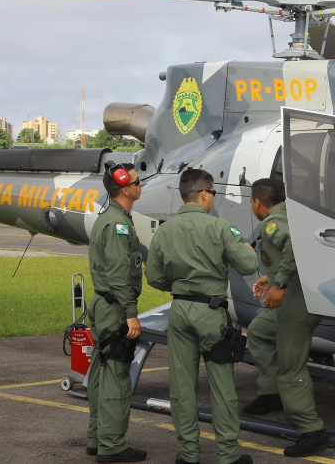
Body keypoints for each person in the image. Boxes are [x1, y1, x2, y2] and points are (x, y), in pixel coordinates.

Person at [146, 169, 258, 464]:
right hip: (210, 313)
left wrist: (182, 286)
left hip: (180, 310)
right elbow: (248, 264)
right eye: (214, 194)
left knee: (182, 388)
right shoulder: (221, 228)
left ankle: (188, 455)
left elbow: (154, 278)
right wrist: (244, 249)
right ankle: (228, 455)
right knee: (221, 386)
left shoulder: (165, 230)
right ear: (206, 193)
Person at [244, 178, 332, 458]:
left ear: (257, 202)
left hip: (296, 303)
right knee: (258, 331)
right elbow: (292, 255)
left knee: (290, 367)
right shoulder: (286, 214)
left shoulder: (273, 223)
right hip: (292, 298)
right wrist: (269, 278)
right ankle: (272, 393)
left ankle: (312, 431)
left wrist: (279, 285)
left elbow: (296, 244)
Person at [86, 162, 147, 463]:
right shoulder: (118, 224)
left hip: (104, 302)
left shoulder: (111, 217)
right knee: (116, 373)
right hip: (115, 306)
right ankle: (112, 446)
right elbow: (120, 273)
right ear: (125, 188)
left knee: (101, 368)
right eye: (138, 181)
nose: (141, 185)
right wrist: (131, 312)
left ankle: (97, 438)